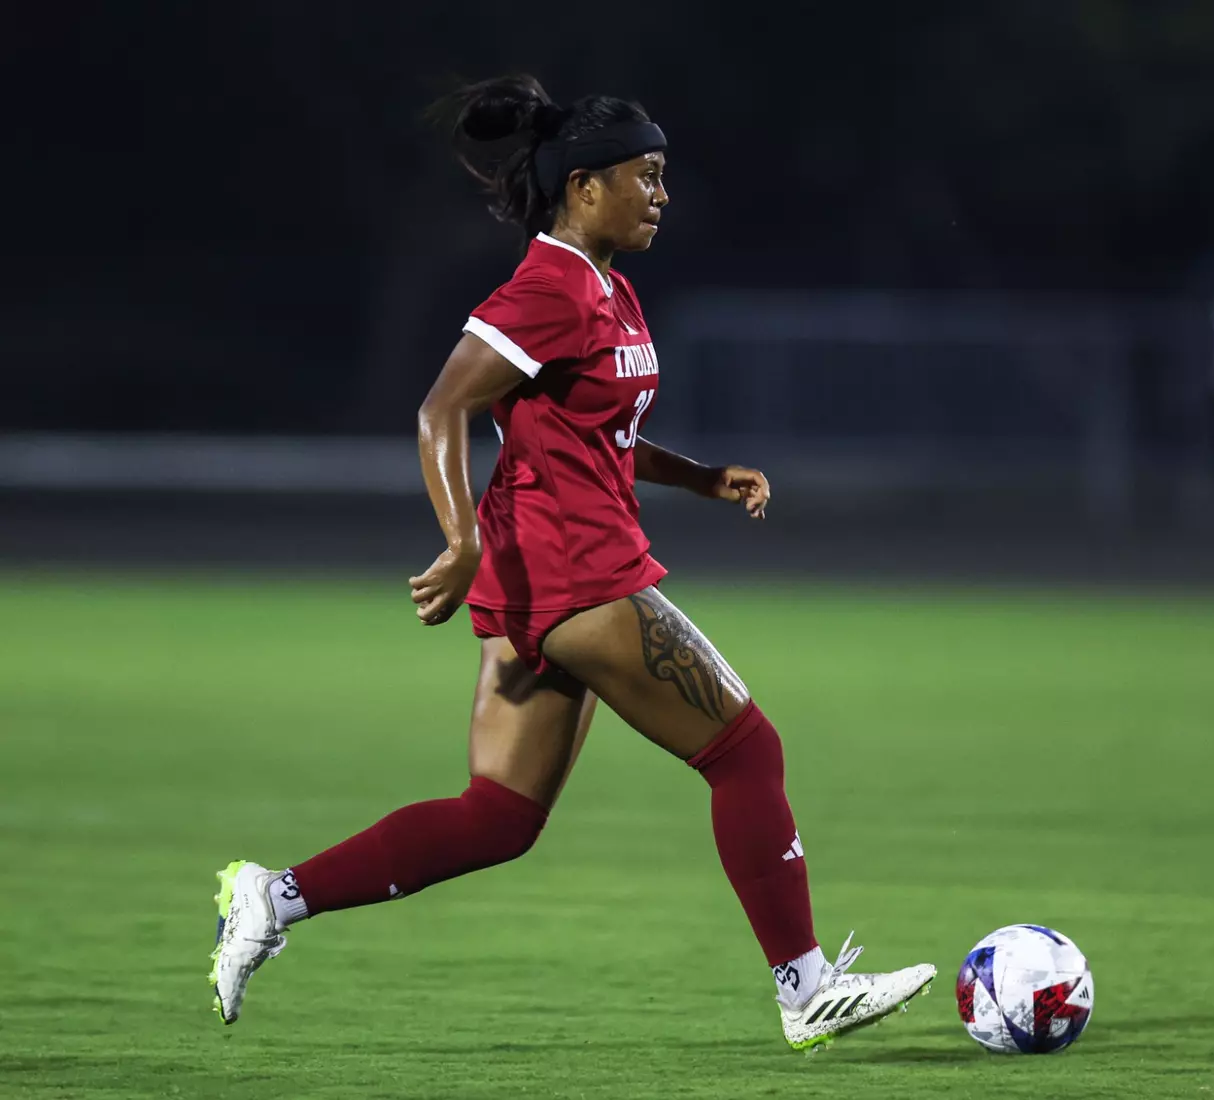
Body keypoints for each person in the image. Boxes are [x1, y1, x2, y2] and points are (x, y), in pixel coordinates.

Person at [207, 74, 934, 1050]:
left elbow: (603, 432)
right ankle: (805, 987)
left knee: (498, 815)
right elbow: (442, 409)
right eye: (648, 175)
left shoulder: (608, 286)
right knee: (745, 750)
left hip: (541, 577)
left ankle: (273, 895)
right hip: (573, 571)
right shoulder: (548, 286)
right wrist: (459, 537)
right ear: (585, 186)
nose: (663, 194)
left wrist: (702, 477)